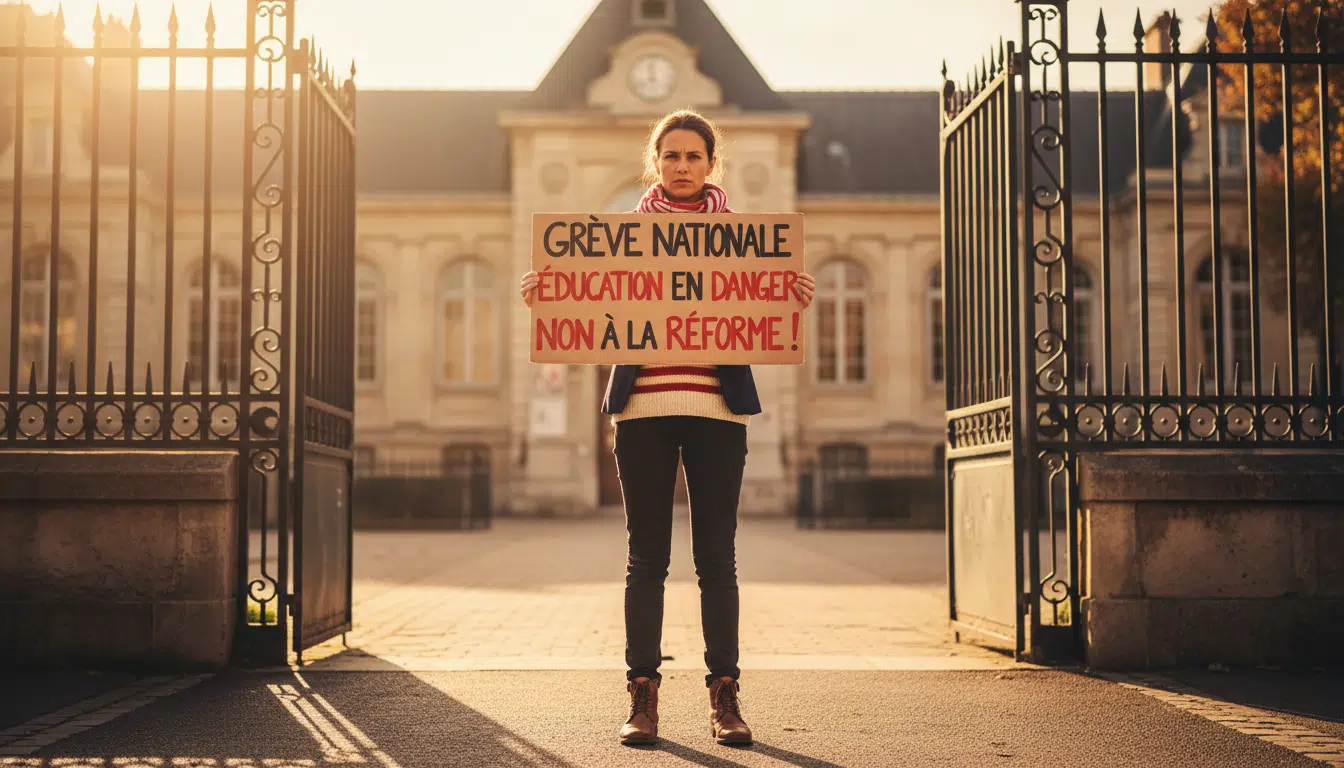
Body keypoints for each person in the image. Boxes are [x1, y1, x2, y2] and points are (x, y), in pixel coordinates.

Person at [519, 109, 815, 747]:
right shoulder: (622, 237)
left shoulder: (747, 238)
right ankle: (642, 698)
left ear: (712, 165)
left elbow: (762, 309)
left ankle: (725, 698)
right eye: (671, 156)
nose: (682, 167)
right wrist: (550, 292)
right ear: (655, 162)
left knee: (717, 560)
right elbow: (586, 306)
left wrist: (789, 294)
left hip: (717, 410)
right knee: (645, 560)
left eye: (694, 157)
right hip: (643, 410)